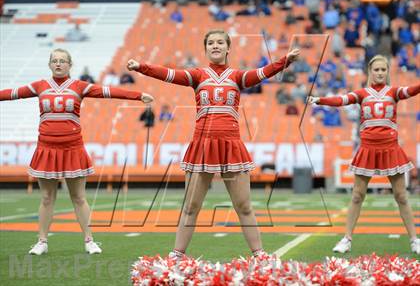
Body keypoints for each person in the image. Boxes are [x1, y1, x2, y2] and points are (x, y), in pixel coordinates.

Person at [127, 29, 300, 259]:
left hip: (231, 146)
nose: (215, 46)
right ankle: (177, 255)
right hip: (202, 145)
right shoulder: (198, 76)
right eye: (210, 43)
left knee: (244, 206)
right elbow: (168, 74)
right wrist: (141, 67)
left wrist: (284, 61)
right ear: (206, 48)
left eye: (220, 42)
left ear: (228, 48)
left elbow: (262, 73)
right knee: (190, 206)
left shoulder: (237, 77)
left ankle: (259, 254)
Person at [0, 48, 153, 255]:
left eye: (63, 61)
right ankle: (42, 241)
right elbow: (11, 94)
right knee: (46, 197)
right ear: (49, 64)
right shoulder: (39, 86)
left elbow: (107, 92)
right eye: (54, 61)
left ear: (70, 65)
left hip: (73, 148)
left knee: (79, 197)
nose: (58, 64)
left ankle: (89, 240)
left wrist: (138, 95)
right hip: (46, 148)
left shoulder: (79, 86)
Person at [308, 55, 420, 255]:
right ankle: (346, 239)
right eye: (376, 70)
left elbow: (412, 90)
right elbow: (341, 100)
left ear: (387, 72)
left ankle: (414, 239)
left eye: (383, 70)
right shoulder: (362, 93)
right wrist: (319, 100)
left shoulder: (394, 92)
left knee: (401, 196)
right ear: (370, 72)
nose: (379, 73)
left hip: (390, 148)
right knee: (357, 195)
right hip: (367, 148)